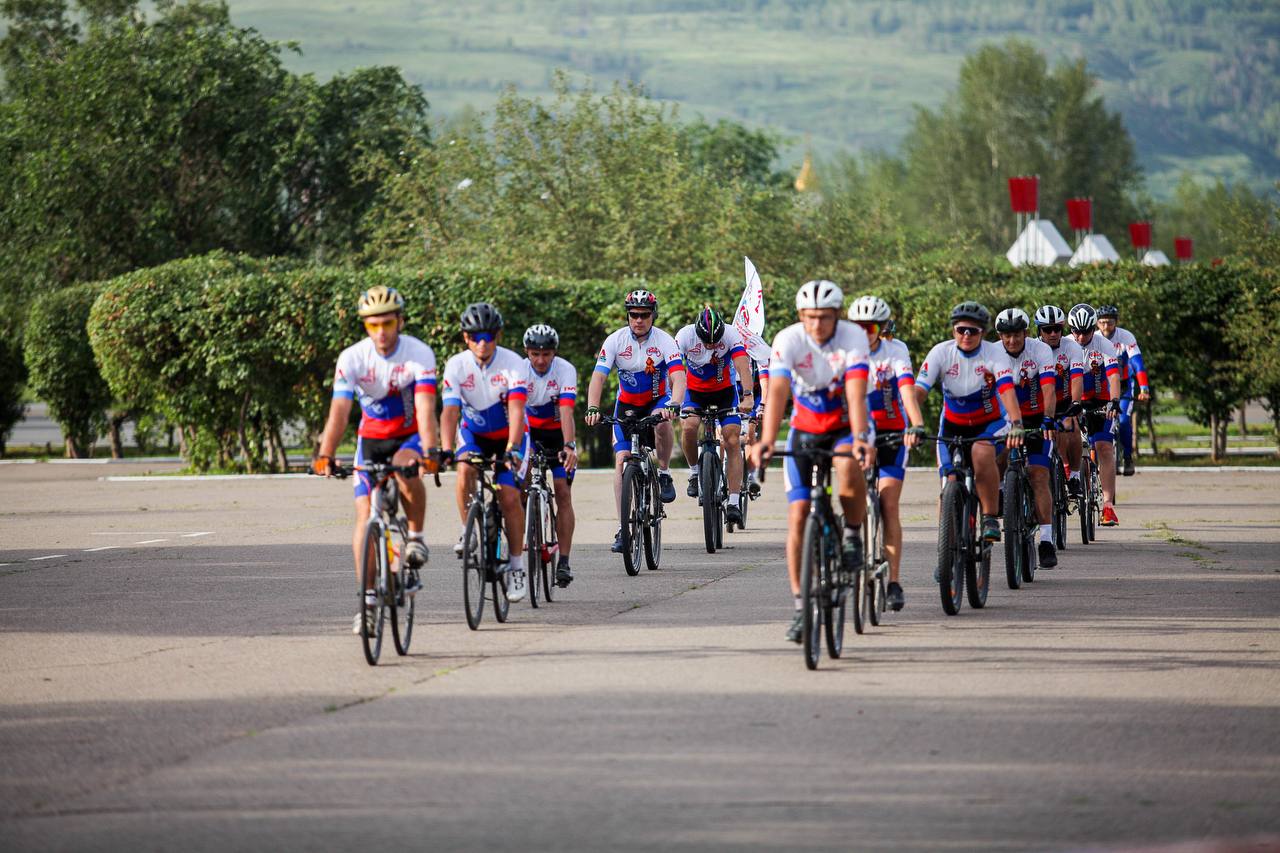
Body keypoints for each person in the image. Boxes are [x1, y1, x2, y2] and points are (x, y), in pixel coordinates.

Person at [749, 280, 872, 644]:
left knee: (848, 467)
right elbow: (778, 392)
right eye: (809, 317)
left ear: (837, 315)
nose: (816, 325)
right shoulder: (788, 340)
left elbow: (855, 393)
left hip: (845, 426)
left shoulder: (853, 338)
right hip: (805, 429)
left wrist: (862, 438)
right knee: (798, 514)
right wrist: (767, 441)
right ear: (800, 316)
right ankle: (802, 607)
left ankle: (851, 534)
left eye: (824, 317)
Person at [314, 285, 439, 635]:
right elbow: (339, 412)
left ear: (400, 321)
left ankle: (415, 536)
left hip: (408, 436)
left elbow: (426, 409)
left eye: (387, 323)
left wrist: (429, 452)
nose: (381, 332)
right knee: (364, 518)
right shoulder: (352, 358)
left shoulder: (418, 354)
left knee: (406, 467)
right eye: (372, 326)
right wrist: (326, 454)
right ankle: (367, 602)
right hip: (370, 440)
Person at [913, 302, 1024, 549]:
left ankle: (989, 518)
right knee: (948, 482)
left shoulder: (994, 354)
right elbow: (919, 391)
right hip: (953, 424)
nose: (966, 335)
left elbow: (1006, 389)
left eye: (972, 331)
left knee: (981, 452)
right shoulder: (940, 353)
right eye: (961, 329)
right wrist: (914, 423)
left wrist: (1016, 423)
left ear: (982, 333)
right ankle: (947, 548)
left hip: (990, 423)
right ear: (953, 330)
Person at [584, 290, 687, 553]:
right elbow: (598, 377)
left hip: (657, 401)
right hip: (627, 405)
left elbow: (678, 376)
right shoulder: (615, 341)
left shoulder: (664, 341)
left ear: (653, 315)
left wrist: (674, 403)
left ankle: (663, 473)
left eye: (644, 315)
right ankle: (623, 527)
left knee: (663, 423)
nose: (638, 320)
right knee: (620, 462)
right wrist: (593, 407)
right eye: (633, 315)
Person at [440, 302, 531, 601]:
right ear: (465, 338)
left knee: (508, 496)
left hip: (510, 435)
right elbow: (450, 412)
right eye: (476, 336)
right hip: (474, 433)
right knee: (464, 467)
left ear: (498, 336)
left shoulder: (513, 363)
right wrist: (444, 449)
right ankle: (470, 530)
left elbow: (517, 410)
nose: (483, 342)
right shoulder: (456, 365)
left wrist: (512, 450)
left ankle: (516, 566)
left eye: (489, 336)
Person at [848, 295, 925, 611]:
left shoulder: (895, 351)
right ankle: (852, 543)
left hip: (893, 432)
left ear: (882, 328)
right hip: (858, 433)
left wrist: (917, 423)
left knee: (888, 503)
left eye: (872, 326)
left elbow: (907, 388)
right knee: (849, 493)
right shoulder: (842, 352)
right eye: (859, 326)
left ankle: (893, 581)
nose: (866, 332)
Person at [994, 308, 1060, 568]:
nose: (1012, 341)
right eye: (1006, 336)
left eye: (1017, 335)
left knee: (1038, 473)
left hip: (1036, 419)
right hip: (1005, 419)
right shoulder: (991, 353)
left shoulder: (1040, 350)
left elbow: (1048, 388)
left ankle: (1046, 540)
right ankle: (1002, 494)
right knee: (993, 457)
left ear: (1026, 333)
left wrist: (1048, 419)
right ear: (1000, 336)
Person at [676, 307, 753, 527]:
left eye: (714, 341)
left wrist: (747, 397)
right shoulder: (684, 335)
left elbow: (742, 366)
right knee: (689, 427)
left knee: (731, 439)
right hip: (694, 392)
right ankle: (694, 472)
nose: (710, 346)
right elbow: (674, 369)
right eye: (706, 342)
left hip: (725, 393)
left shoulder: (731, 334)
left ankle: (735, 503)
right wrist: (674, 400)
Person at [522, 324, 579, 588]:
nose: (541, 360)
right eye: (535, 354)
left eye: (546, 354)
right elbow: (515, 413)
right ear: (527, 352)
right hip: (528, 433)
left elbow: (566, 412)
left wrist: (569, 445)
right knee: (518, 484)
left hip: (558, 435)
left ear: (554, 353)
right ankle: (525, 527)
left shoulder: (565, 370)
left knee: (562, 492)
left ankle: (564, 561)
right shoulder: (519, 371)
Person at [1068, 303, 1123, 526]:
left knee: (1104, 448)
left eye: (1086, 331)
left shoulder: (1105, 344)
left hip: (1101, 401)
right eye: (1076, 331)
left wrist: (1115, 401)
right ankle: (1068, 475)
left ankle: (1108, 506)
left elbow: (1113, 376)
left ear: (1094, 328)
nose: (1081, 337)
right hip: (1073, 401)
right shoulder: (1065, 345)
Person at [1035, 305, 1085, 501]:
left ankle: (1073, 477)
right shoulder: (1033, 347)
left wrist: (1075, 403)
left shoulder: (1071, 346)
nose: (1053, 333)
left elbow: (1077, 378)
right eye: (1047, 329)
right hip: (1040, 403)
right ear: (1039, 330)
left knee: (1070, 426)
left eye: (1057, 329)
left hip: (1064, 401)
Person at [1096, 305, 1151, 477]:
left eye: (1110, 323)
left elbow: (1137, 363)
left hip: (1124, 386)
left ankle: (1127, 457)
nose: (1106, 327)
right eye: (1103, 323)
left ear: (1116, 322)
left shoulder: (1126, 336)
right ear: (1097, 324)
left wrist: (1144, 388)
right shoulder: (1094, 339)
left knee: (1125, 421)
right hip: (1102, 388)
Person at [737, 355, 769, 497]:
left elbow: (765, 382)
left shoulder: (757, 354)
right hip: (732, 393)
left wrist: (762, 405)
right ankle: (715, 474)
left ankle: (750, 476)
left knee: (750, 433)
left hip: (754, 395)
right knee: (722, 437)